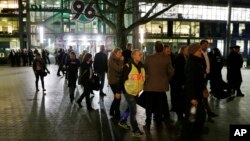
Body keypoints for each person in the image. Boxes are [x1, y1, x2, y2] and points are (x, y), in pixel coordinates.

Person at [143, 41, 174, 129]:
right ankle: (159, 122)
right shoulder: (167, 58)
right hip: (161, 86)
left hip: (149, 85)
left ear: (154, 48)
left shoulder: (148, 58)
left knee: (148, 105)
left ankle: (148, 122)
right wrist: (166, 79)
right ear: (162, 49)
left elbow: (144, 69)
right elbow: (171, 72)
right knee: (159, 105)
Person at [180, 44, 207, 141]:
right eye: (199, 50)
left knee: (195, 118)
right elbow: (190, 82)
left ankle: (191, 136)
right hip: (193, 98)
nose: (201, 52)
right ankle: (188, 137)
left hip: (197, 96)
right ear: (194, 51)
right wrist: (192, 98)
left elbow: (199, 79)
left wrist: (203, 89)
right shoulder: (192, 63)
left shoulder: (197, 61)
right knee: (193, 118)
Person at [118, 49, 145, 137]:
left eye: (141, 54)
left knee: (130, 108)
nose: (141, 56)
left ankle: (122, 120)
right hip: (128, 92)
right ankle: (135, 130)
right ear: (133, 56)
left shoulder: (141, 66)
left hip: (137, 92)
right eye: (139, 54)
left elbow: (142, 78)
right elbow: (121, 80)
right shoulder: (127, 66)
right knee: (134, 111)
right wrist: (118, 92)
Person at [200, 40, 218, 119]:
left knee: (204, 94)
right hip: (201, 77)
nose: (206, 46)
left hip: (206, 77)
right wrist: (203, 72)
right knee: (204, 94)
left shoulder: (207, 53)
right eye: (204, 45)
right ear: (200, 45)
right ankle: (207, 111)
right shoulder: (199, 54)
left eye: (207, 45)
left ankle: (206, 111)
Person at [171, 46, 189, 120]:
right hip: (179, 83)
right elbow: (179, 72)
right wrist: (182, 83)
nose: (188, 51)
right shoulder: (179, 58)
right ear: (182, 51)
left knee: (182, 99)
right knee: (180, 99)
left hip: (182, 82)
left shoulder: (186, 57)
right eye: (186, 50)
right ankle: (180, 115)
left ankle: (182, 113)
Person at [108, 48, 124, 119]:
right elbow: (119, 69)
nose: (121, 54)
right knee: (118, 97)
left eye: (121, 53)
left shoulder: (117, 59)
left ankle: (112, 111)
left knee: (117, 97)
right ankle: (117, 113)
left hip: (118, 81)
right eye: (119, 53)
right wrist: (121, 61)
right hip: (113, 81)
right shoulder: (111, 60)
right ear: (115, 53)